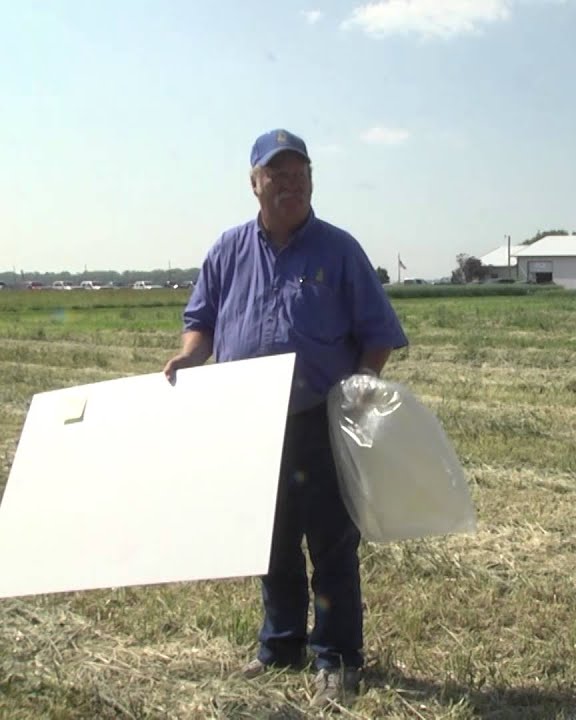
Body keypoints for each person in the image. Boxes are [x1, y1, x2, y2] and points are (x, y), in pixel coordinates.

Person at [163, 128, 409, 708]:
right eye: (277, 174)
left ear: (311, 180)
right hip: (249, 422)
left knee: (330, 544)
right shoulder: (226, 251)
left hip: (320, 419)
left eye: (300, 173)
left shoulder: (339, 250)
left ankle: (338, 659)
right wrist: (190, 353)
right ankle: (280, 648)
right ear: (255, 184)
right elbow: (201, 318)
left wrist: (361, 388)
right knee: (267, 541)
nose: (291, 183)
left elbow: (378, 335)